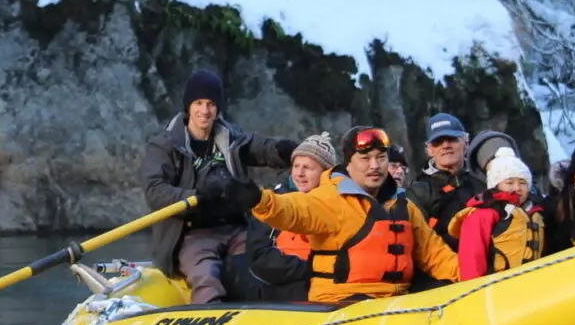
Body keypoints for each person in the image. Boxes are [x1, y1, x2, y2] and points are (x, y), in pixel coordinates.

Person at [203, 125, 459, 304]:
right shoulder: (330, 199)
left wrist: (477, 279)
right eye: (365, 158)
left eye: (381, 158)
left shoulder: (404, 207)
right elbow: (290, 210)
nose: (374, 166)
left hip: (392, 304)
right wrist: (255, 197)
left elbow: (436, 257)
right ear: (348, 164)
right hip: (341, 306)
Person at [141, 70, 296, 304]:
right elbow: (155, 191)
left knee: (260, 268)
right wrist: (197, 196)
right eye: (199, 103)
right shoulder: (164, 145)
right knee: (206, 277)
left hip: (236, 229)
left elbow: (258, 147)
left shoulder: (230, 137)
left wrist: (284, 151)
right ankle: (208, 324)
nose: (205, 111)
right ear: (188, 106)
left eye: (211, 104)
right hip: (193, 234)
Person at [241, 133, 339, 303]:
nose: (299, 173)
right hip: (285, 297)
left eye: (308, 168)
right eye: (296, 166)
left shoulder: (343, 203)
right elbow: (260, 257)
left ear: (326, 173)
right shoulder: (272, 203)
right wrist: (313, 268)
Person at [445, 149, 546, 279]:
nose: (517, 188)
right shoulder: (483, 214)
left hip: (534, 281)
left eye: (523, 183)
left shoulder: (536, 211)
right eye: (509, 182)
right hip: (499, 286)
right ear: (496, 185)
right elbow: (472, 259)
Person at [411, 113, 485, 242]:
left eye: (452, 139)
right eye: (437, 142)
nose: (445, 146)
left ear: (466, 143)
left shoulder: (483, 183)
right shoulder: (418, 191)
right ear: (429, 150)